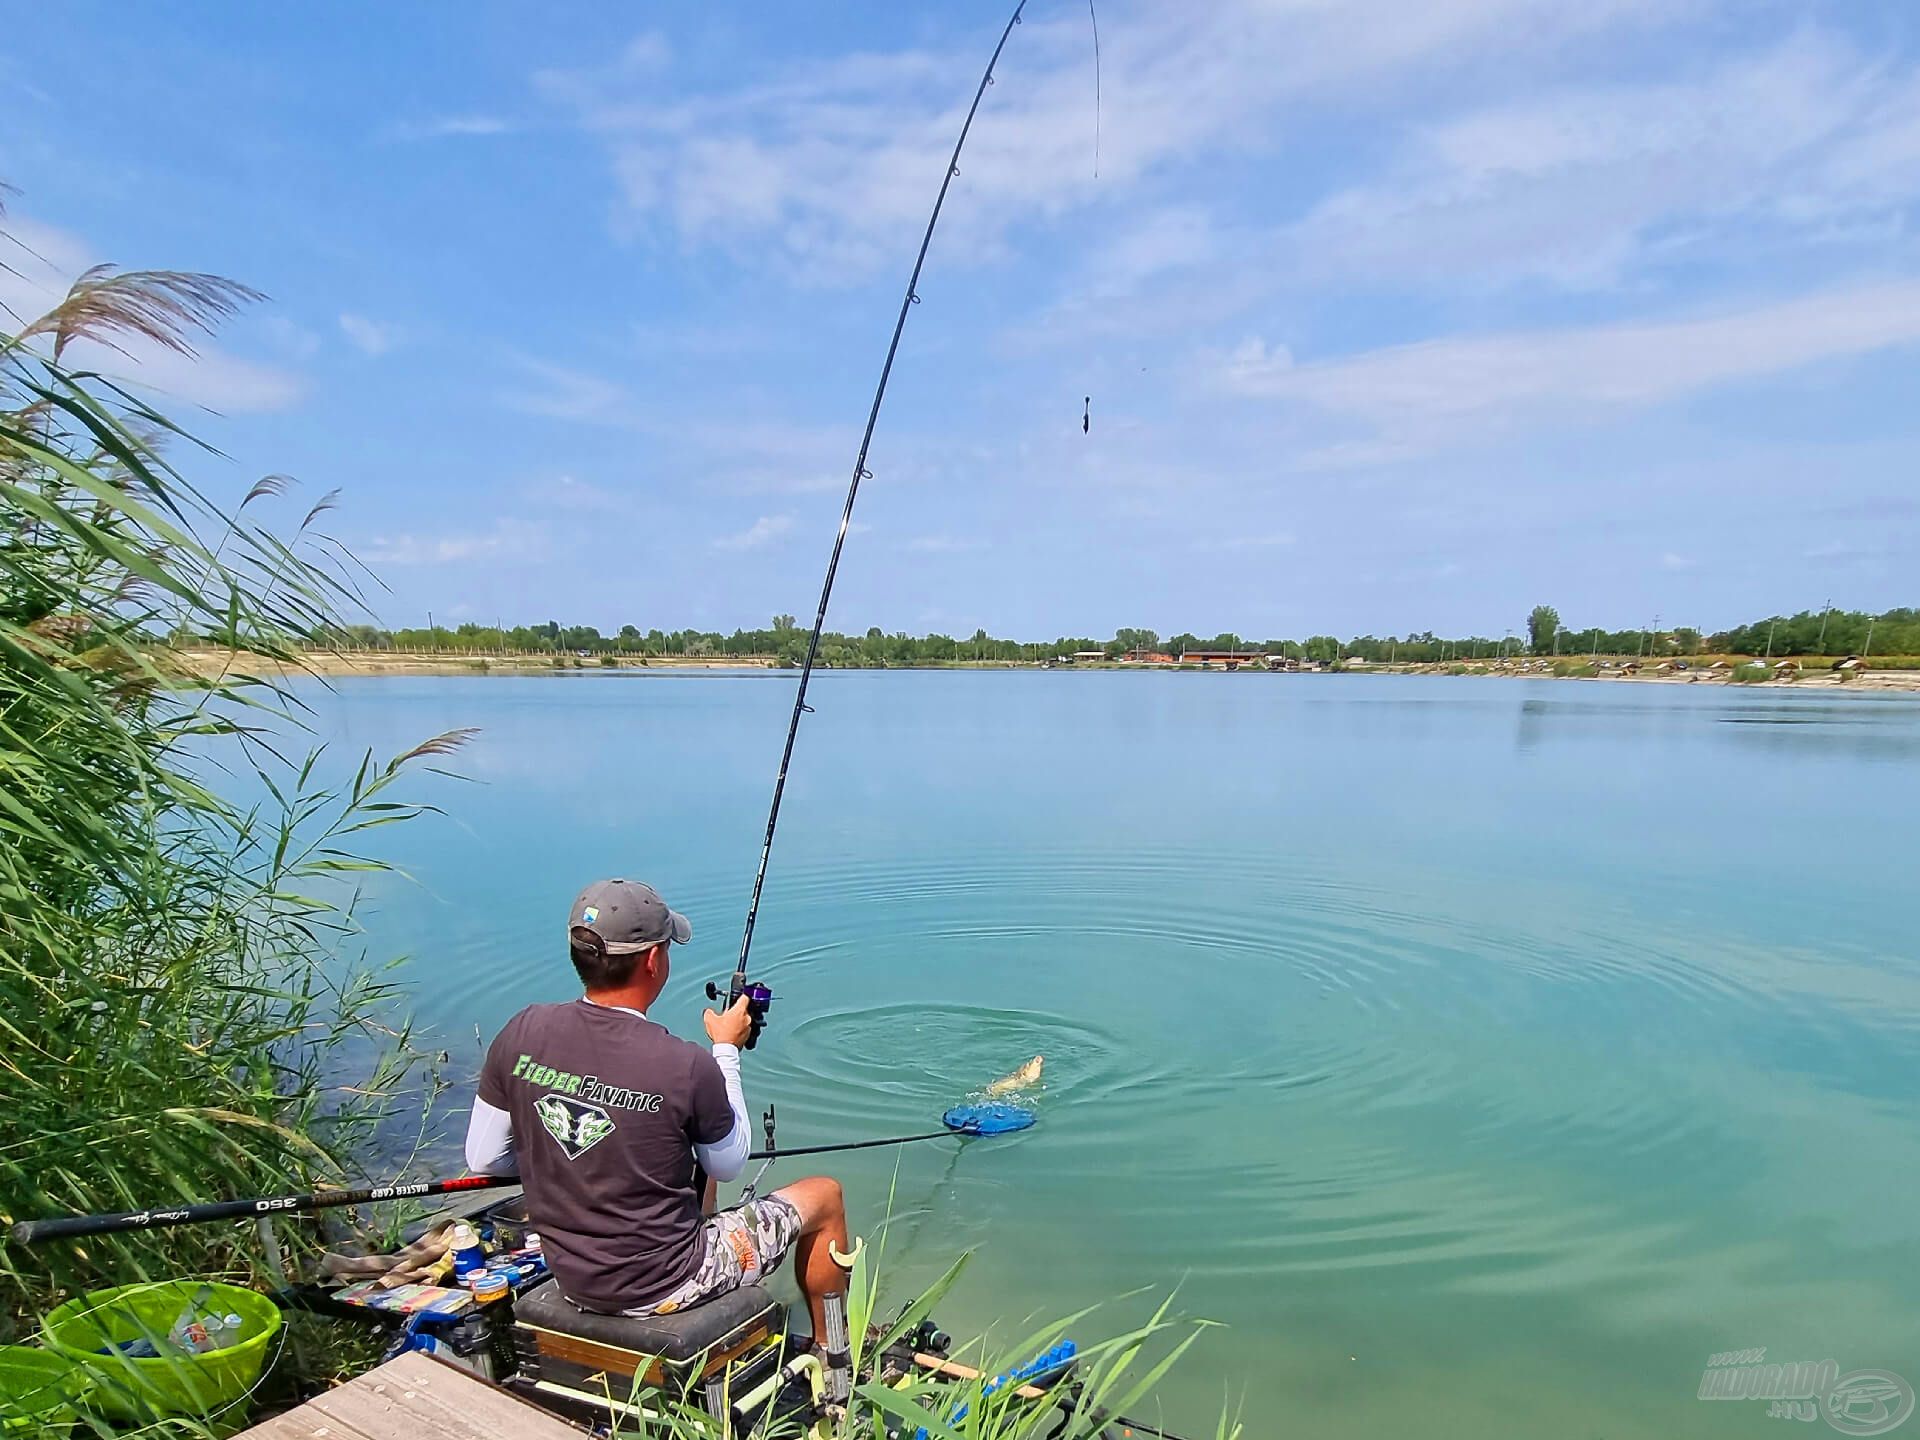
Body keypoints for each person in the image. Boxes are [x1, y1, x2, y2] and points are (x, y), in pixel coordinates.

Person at [465, 877, 850, 1343]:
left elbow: (484, 1159)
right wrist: (726, 1050)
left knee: (689, 1159)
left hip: (573, 1278)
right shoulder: (683, 1064)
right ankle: (834, 1359)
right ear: (652, 961)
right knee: (824, 1196)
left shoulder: (522, 1031)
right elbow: (729, 1164)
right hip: (666, 1283)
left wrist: (568, 1160)